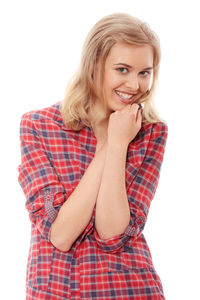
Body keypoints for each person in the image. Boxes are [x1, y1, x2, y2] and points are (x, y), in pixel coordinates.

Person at [18, 12, 168, 300]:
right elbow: (60, 235)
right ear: (94, 66)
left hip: (129, 290)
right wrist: (108, 144)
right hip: (57, 290)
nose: (135, 85)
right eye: (122, 69)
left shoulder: (151, 133)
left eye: (144, 72)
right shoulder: (39, 126)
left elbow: (112, 235)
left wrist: (119, 145)